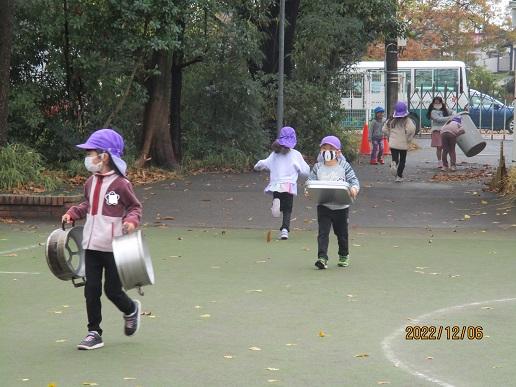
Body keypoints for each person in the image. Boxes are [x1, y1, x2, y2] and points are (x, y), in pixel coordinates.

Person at [62, 129, 143, 350]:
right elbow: (87, 205)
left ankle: (131, 310)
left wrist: (131, 221)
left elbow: (134, 207)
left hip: (114, 247)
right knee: (91, 290)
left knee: (112, 291)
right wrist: (72, 213)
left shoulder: (121, 184)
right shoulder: (91, 182)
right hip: (91, 245)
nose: (87, 158)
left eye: (90, 153)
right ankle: (94, 332)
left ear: (104, 155)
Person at [306, 135, 359, 269]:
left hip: (341, 206)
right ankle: (322, 258)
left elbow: (354, 180)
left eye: (331, 148)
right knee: (323, 233)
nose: (327, 150)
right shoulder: (318, 167)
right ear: (320, 151)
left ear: (338, 152)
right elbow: (310, 182)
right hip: (324, 205)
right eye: (324, 148)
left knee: (341, 233)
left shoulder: (344, 166)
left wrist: (353, 189)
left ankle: (343, 254)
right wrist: (308, 190)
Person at [254, 126, 310, 240]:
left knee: (278, 201)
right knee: (288, 209)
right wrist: (305, 174)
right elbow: (305, 171)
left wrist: (258, 165)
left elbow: (264, 163)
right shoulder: (296, 154)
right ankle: (285, 230)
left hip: (276, 185)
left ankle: (276, 204)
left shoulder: (275, 154)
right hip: (289, 185)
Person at [382, 101, 416, 182]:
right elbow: (411, 129)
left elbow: (384, 129)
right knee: (402, 160)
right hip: (403, 144)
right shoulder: (407, 120)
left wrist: (390, 135)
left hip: (393, 143)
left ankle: (393, 163)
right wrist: (408, 138)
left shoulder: (391, 120)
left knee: (395, 158)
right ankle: (399, 176)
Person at [427, 96, 451, 169]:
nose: (437, 103)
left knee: (445, 147)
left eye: (439, 102)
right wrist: (450, 118)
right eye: (435, 102)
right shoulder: (433, 112)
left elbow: (452, 112)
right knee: (439, 147)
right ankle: (439, 161)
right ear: (433, 103)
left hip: (445, 130)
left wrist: (454, 114)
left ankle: (445, 161)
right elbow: (438, 119)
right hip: (436, 130)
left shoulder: (445, 110)